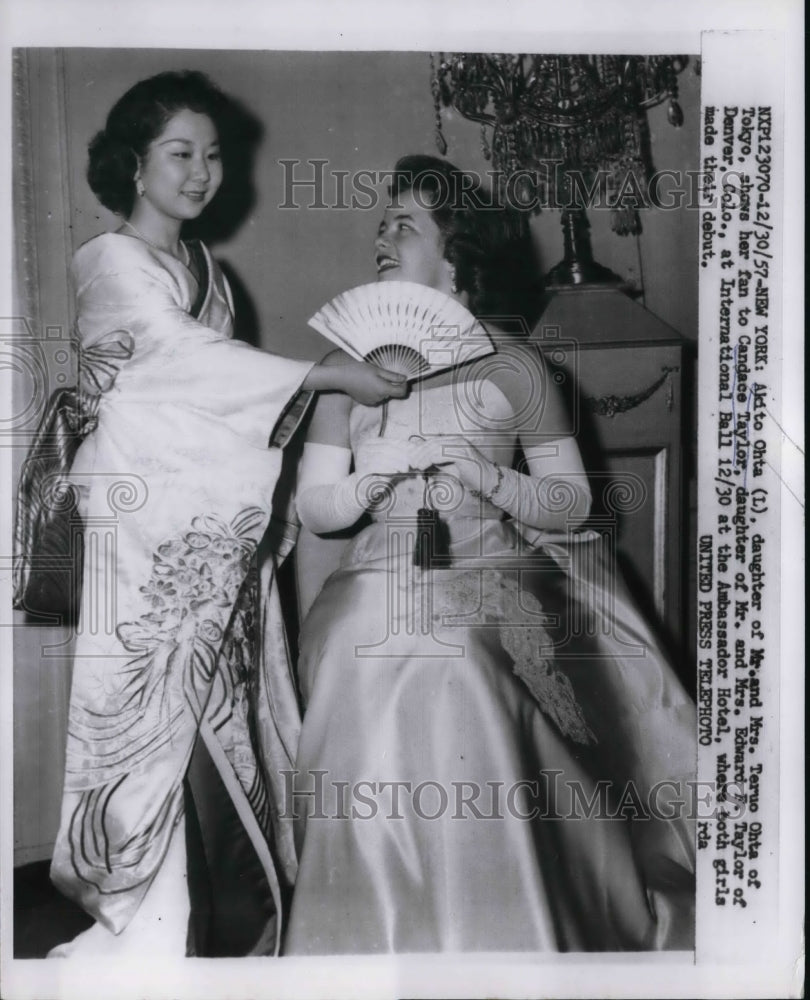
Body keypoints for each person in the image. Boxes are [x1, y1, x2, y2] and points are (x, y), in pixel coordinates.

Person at [283, 155, 696, 954]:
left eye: (405, 223)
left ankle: (499, 918)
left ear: (456, 253)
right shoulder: (346, 374)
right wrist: (374, 481)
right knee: (365, 634)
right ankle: (366, 925)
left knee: (457, 654)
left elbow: (571, 503)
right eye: (381, 220)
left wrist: (484, 476)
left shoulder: (516, 366)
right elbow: (316, 510)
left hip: (495, 573)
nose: (382, 234)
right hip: (374, 573)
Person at [44, 70, 406, 958]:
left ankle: (212, 923)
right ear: (135, 164)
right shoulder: (109, 262)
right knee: (149, 717)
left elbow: (230, 400)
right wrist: (326, 375)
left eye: (211, 155)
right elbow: (178, 363)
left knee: (218, 709)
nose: (202, 172)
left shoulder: (209, 269)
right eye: (180, 153)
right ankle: (145, 925)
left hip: (206, 521)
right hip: (137, 522)